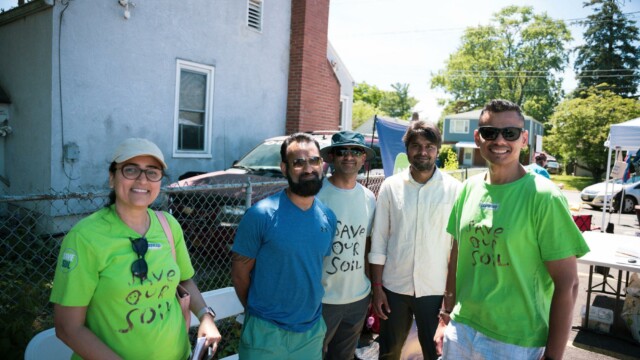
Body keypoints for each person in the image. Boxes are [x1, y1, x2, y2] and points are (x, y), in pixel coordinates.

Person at [435, 99, 589, 360]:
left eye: (510, 133)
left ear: (524, 138)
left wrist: (553, 356)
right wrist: (445, 315)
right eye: (490, 132)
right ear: (477, 137)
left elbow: (569, 284)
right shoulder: (468, 190)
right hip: (461, 329)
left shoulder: (544, 197)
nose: (499, 140)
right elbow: (457, 254)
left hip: (516, 342)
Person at [50, 138, 221, 359]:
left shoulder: (168, 225)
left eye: (152, 172)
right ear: (112, 178)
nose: (142, 179)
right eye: (130, 170)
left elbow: (185, 280)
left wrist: (205, 316)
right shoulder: (85, 237)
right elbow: (68, 328)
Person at [231, 132, 337, 359]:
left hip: (311, 331)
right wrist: (258, 315)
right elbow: (240, 274)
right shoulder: (261, 215)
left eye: (314, 160)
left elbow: (312, 268)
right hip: (265, 332)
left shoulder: (328, 217)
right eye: (298, 162)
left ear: (322, 164)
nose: (308, 168)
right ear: (284, 168)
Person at [369, 121, 461, 360]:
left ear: (438, 150)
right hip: (394, 289)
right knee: (389, 351)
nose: (423, 152)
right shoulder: (391, 187)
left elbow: (457, 249)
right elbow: (379, 240)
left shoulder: (455, 190)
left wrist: (450, 298)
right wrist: (377, 289)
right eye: (416, 145)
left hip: (435, 289)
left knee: (436, 352)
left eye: (429, 146)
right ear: (407, 149)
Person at [317, 131, 377, 360]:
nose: (349, 156)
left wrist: (371, 289)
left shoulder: (369, 198)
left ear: (364, 159)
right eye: (342, 151)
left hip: (357, 299)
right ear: (331, 157)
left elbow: (367, 247)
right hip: (322, 300)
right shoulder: (316, 195)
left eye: (356, 151)